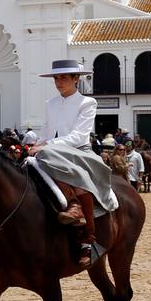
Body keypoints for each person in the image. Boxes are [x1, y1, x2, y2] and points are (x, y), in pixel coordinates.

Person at [27, 60, 117, 268]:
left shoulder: (87, 103)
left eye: (64, 77)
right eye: (56, 78)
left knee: (53, 161)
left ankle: (87, 236)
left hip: (78, 151)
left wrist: (47, 146)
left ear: (76, 79)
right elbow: (47, 131)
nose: (58, 82)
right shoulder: (51, 103)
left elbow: (79, 136)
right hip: (51, 150)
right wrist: (36, 144)